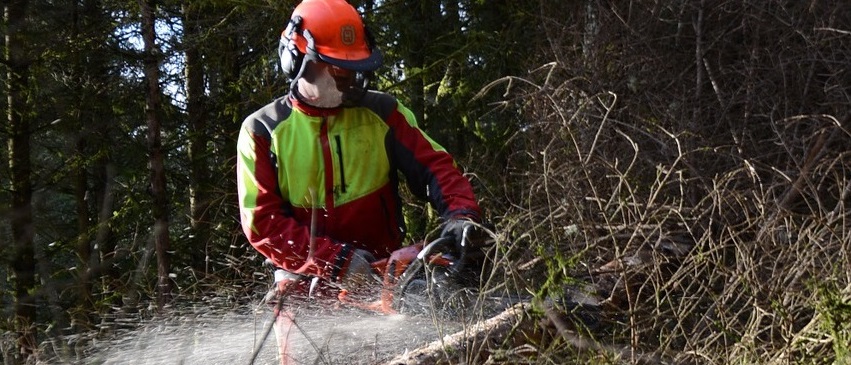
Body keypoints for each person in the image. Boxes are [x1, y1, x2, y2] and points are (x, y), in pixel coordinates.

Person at [235, 0, 483, 363]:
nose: (353, 80)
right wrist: (335, 261)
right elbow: (262, 223)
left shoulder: (383, 113)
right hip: (307, 287)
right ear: (298, 62)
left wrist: (461, 215)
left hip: (386, 276)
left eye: (356, 68)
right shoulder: (263, 131)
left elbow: (437, 167)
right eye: (339, 70)